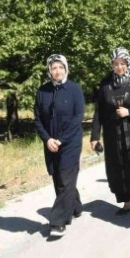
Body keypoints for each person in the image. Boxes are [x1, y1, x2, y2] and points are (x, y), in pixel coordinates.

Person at [90, 47, 130, 221]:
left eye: (122, 63)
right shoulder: (106, 84)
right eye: (115, 63)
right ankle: (126, 203)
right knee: (117, 167)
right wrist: (94, 136)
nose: (119, 67)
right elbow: (99, 112)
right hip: (113, 133)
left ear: (128, 63)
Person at [33, 54, 85, 238]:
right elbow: (38, 119)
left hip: (70, 142)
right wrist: (47, 139)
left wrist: (61, 139)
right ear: (49, 70)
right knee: (57, 176)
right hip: (50, 143)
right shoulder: (43, 91)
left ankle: (58, 221)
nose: (57, 71)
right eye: (54, 68)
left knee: (65, 178)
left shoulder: (74, 89)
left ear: (66, 68)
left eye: (60, 67)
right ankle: (75, 207)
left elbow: (78, 118)